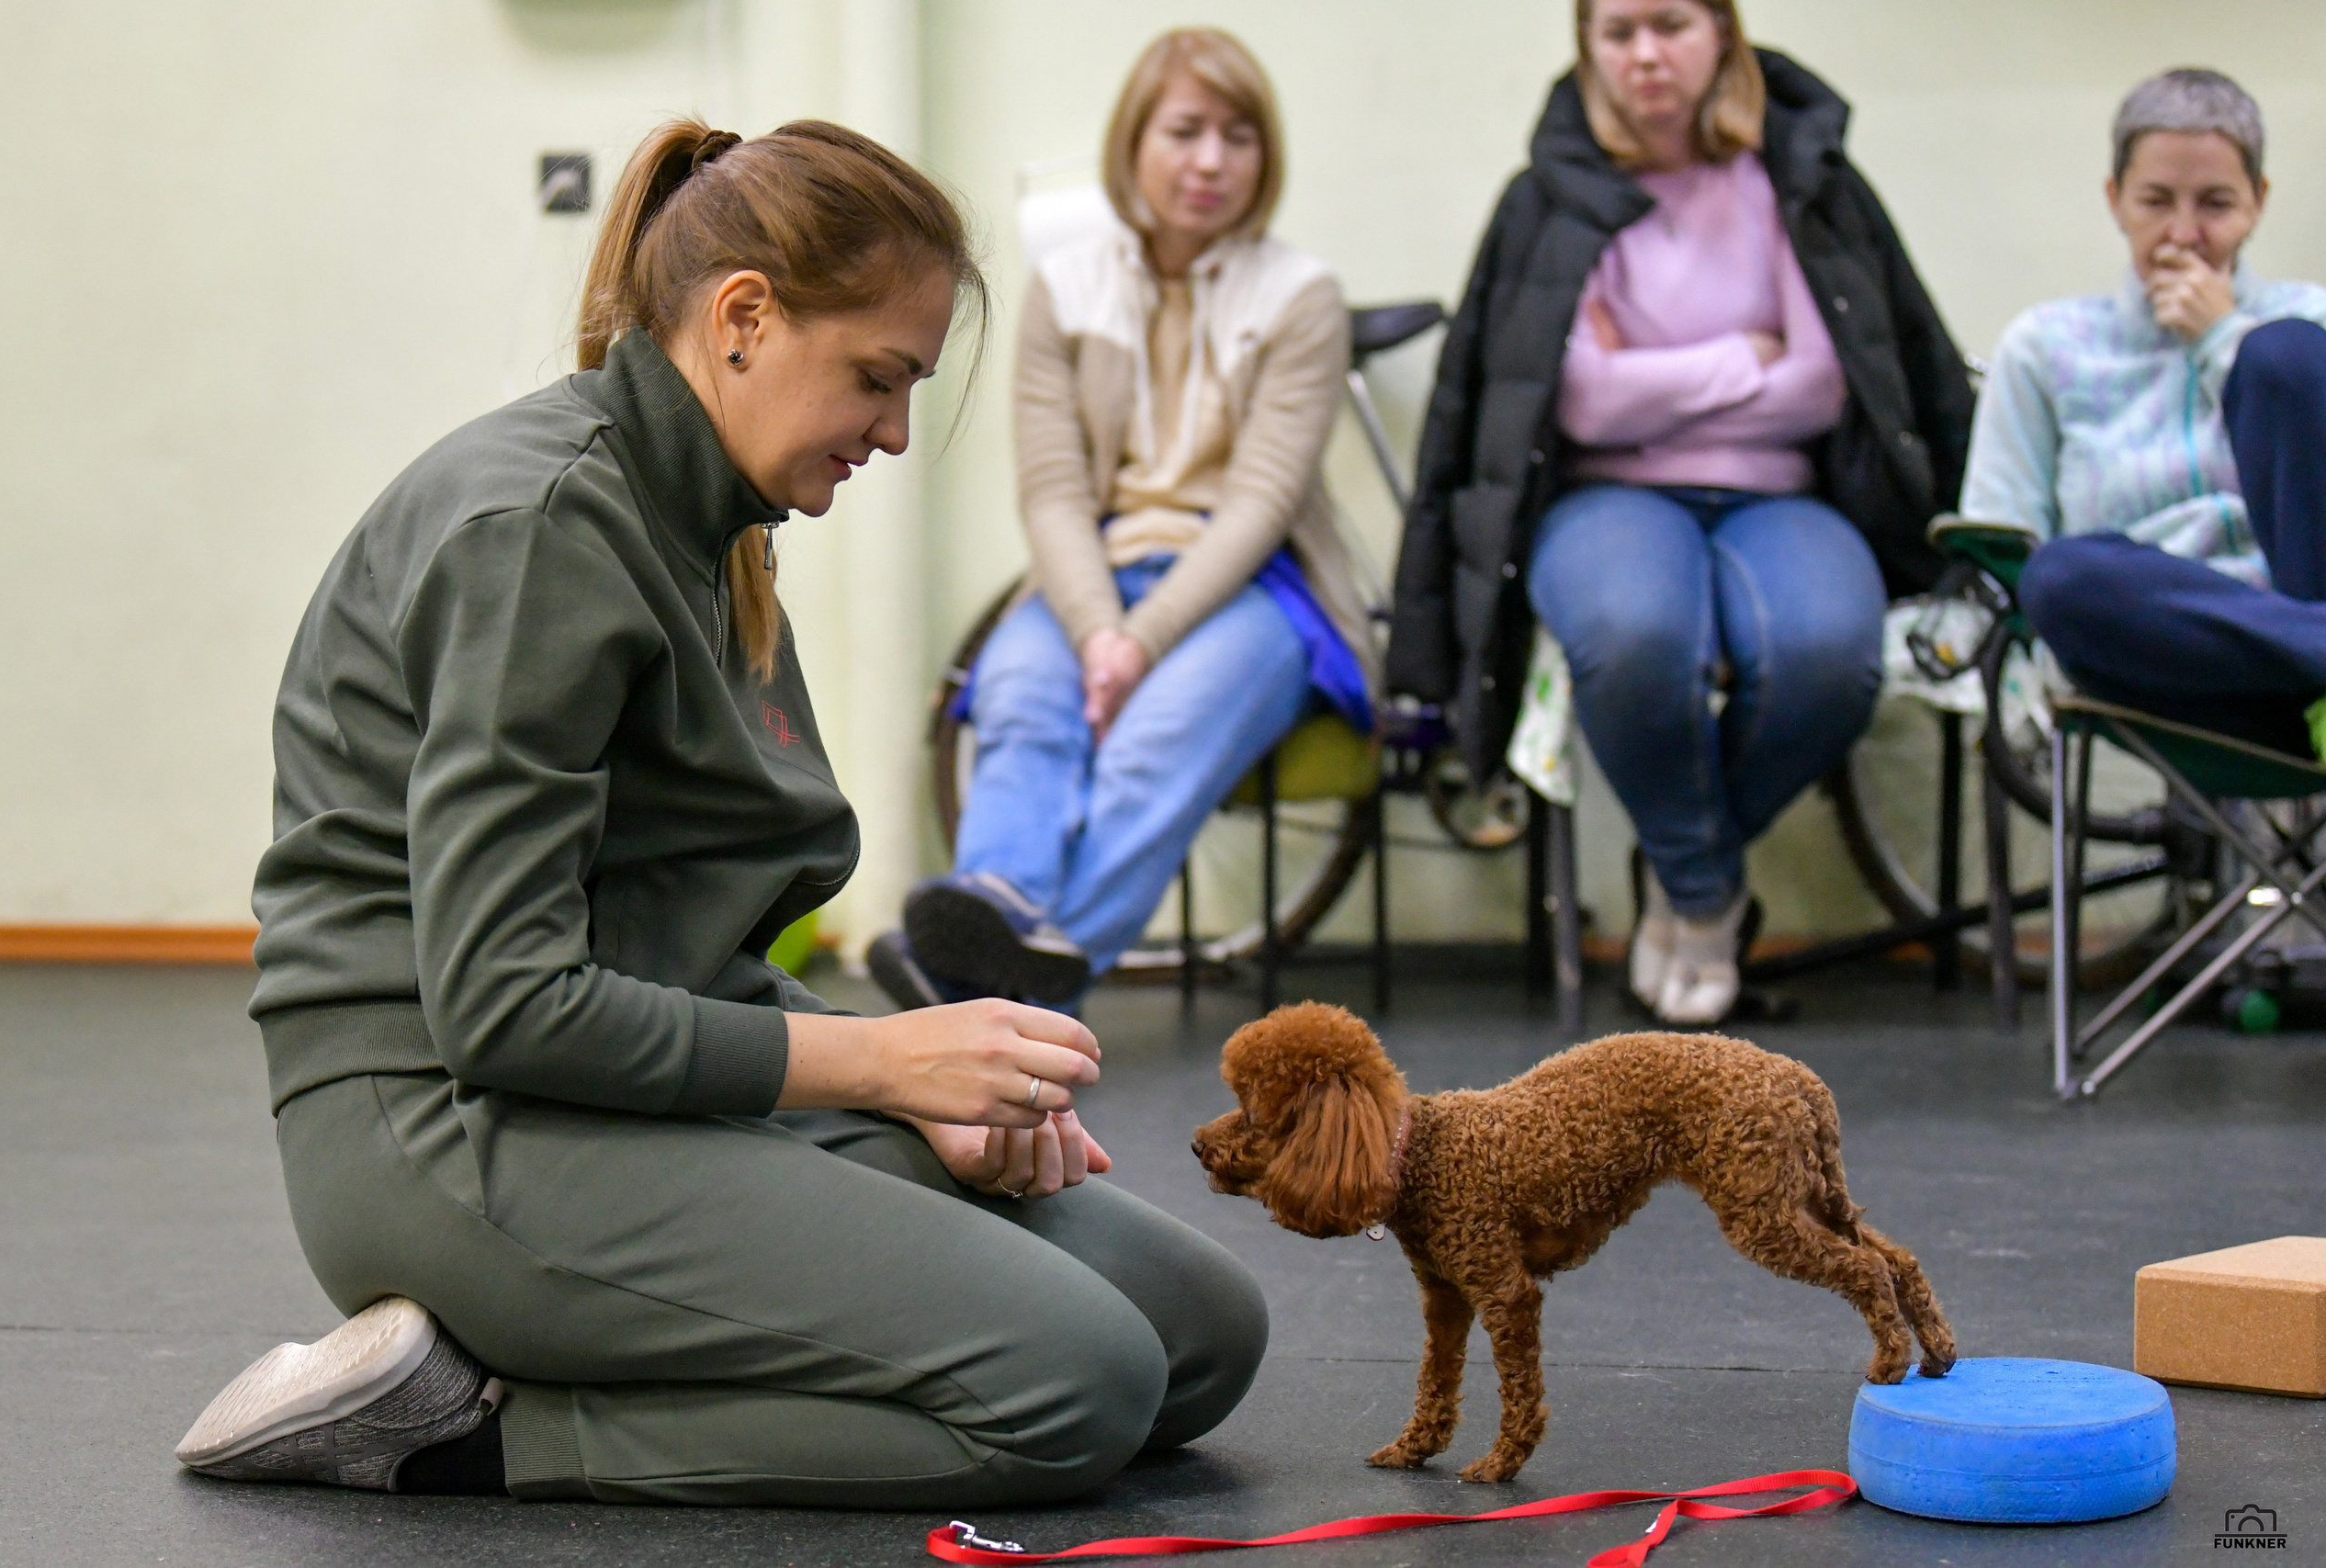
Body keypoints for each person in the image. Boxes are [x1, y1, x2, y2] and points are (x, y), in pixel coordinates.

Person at [175, 118, 1266, 1507]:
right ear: (743, 316)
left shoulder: (711, 533)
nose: (892, 430)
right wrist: (885, 1068)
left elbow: (664, 938)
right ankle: (466, 1422)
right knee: (1079, 1385)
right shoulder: (543, 531)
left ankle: (672, 1350)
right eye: (878, 378)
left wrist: (934, 1084)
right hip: (445, 1128)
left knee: (1198, 1337)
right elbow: (506, 1009)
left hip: (621, 1092)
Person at [1389, 0, 1973, 1025]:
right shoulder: (1548, 202)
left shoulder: (1797, 178)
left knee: (1831, 654)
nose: (1646, 54)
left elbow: (1821, 389)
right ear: (1587, 50)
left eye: (1670, 24)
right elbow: (1579, 402)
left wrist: (1645, 371)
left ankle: (1682, 885)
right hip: (1603, 496)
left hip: (1780, 491)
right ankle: (1710, 899)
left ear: (1723, 37)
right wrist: (1740, 353)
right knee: (1634, 636)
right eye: (1618, 33)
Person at [867, 28, 1376, 1012]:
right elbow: (1052, 490)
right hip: (1090, 576)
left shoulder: (1302, 297)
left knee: (1156, 744)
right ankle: (999, 911)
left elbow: (1262, 505)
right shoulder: (1068, 288)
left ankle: (982, 1003)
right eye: (1184, 131)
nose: (1210, 161)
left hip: (1256, 590)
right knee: (1017, 695)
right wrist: (1100, 627)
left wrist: (1135, 646)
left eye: (1239, 137)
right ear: (1132, 143)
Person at [1965, 69, 2326, 759]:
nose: (2183, 235)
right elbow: (1998, 548)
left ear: (2258, 202)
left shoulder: (2310, 321)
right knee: (2056, 576)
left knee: (2289, 355)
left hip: (2309, 684)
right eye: (2157, 201)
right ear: (2115, 200)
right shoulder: (2045, 344)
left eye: (2215, 204)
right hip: (2158, 665)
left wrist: (2227, 341)